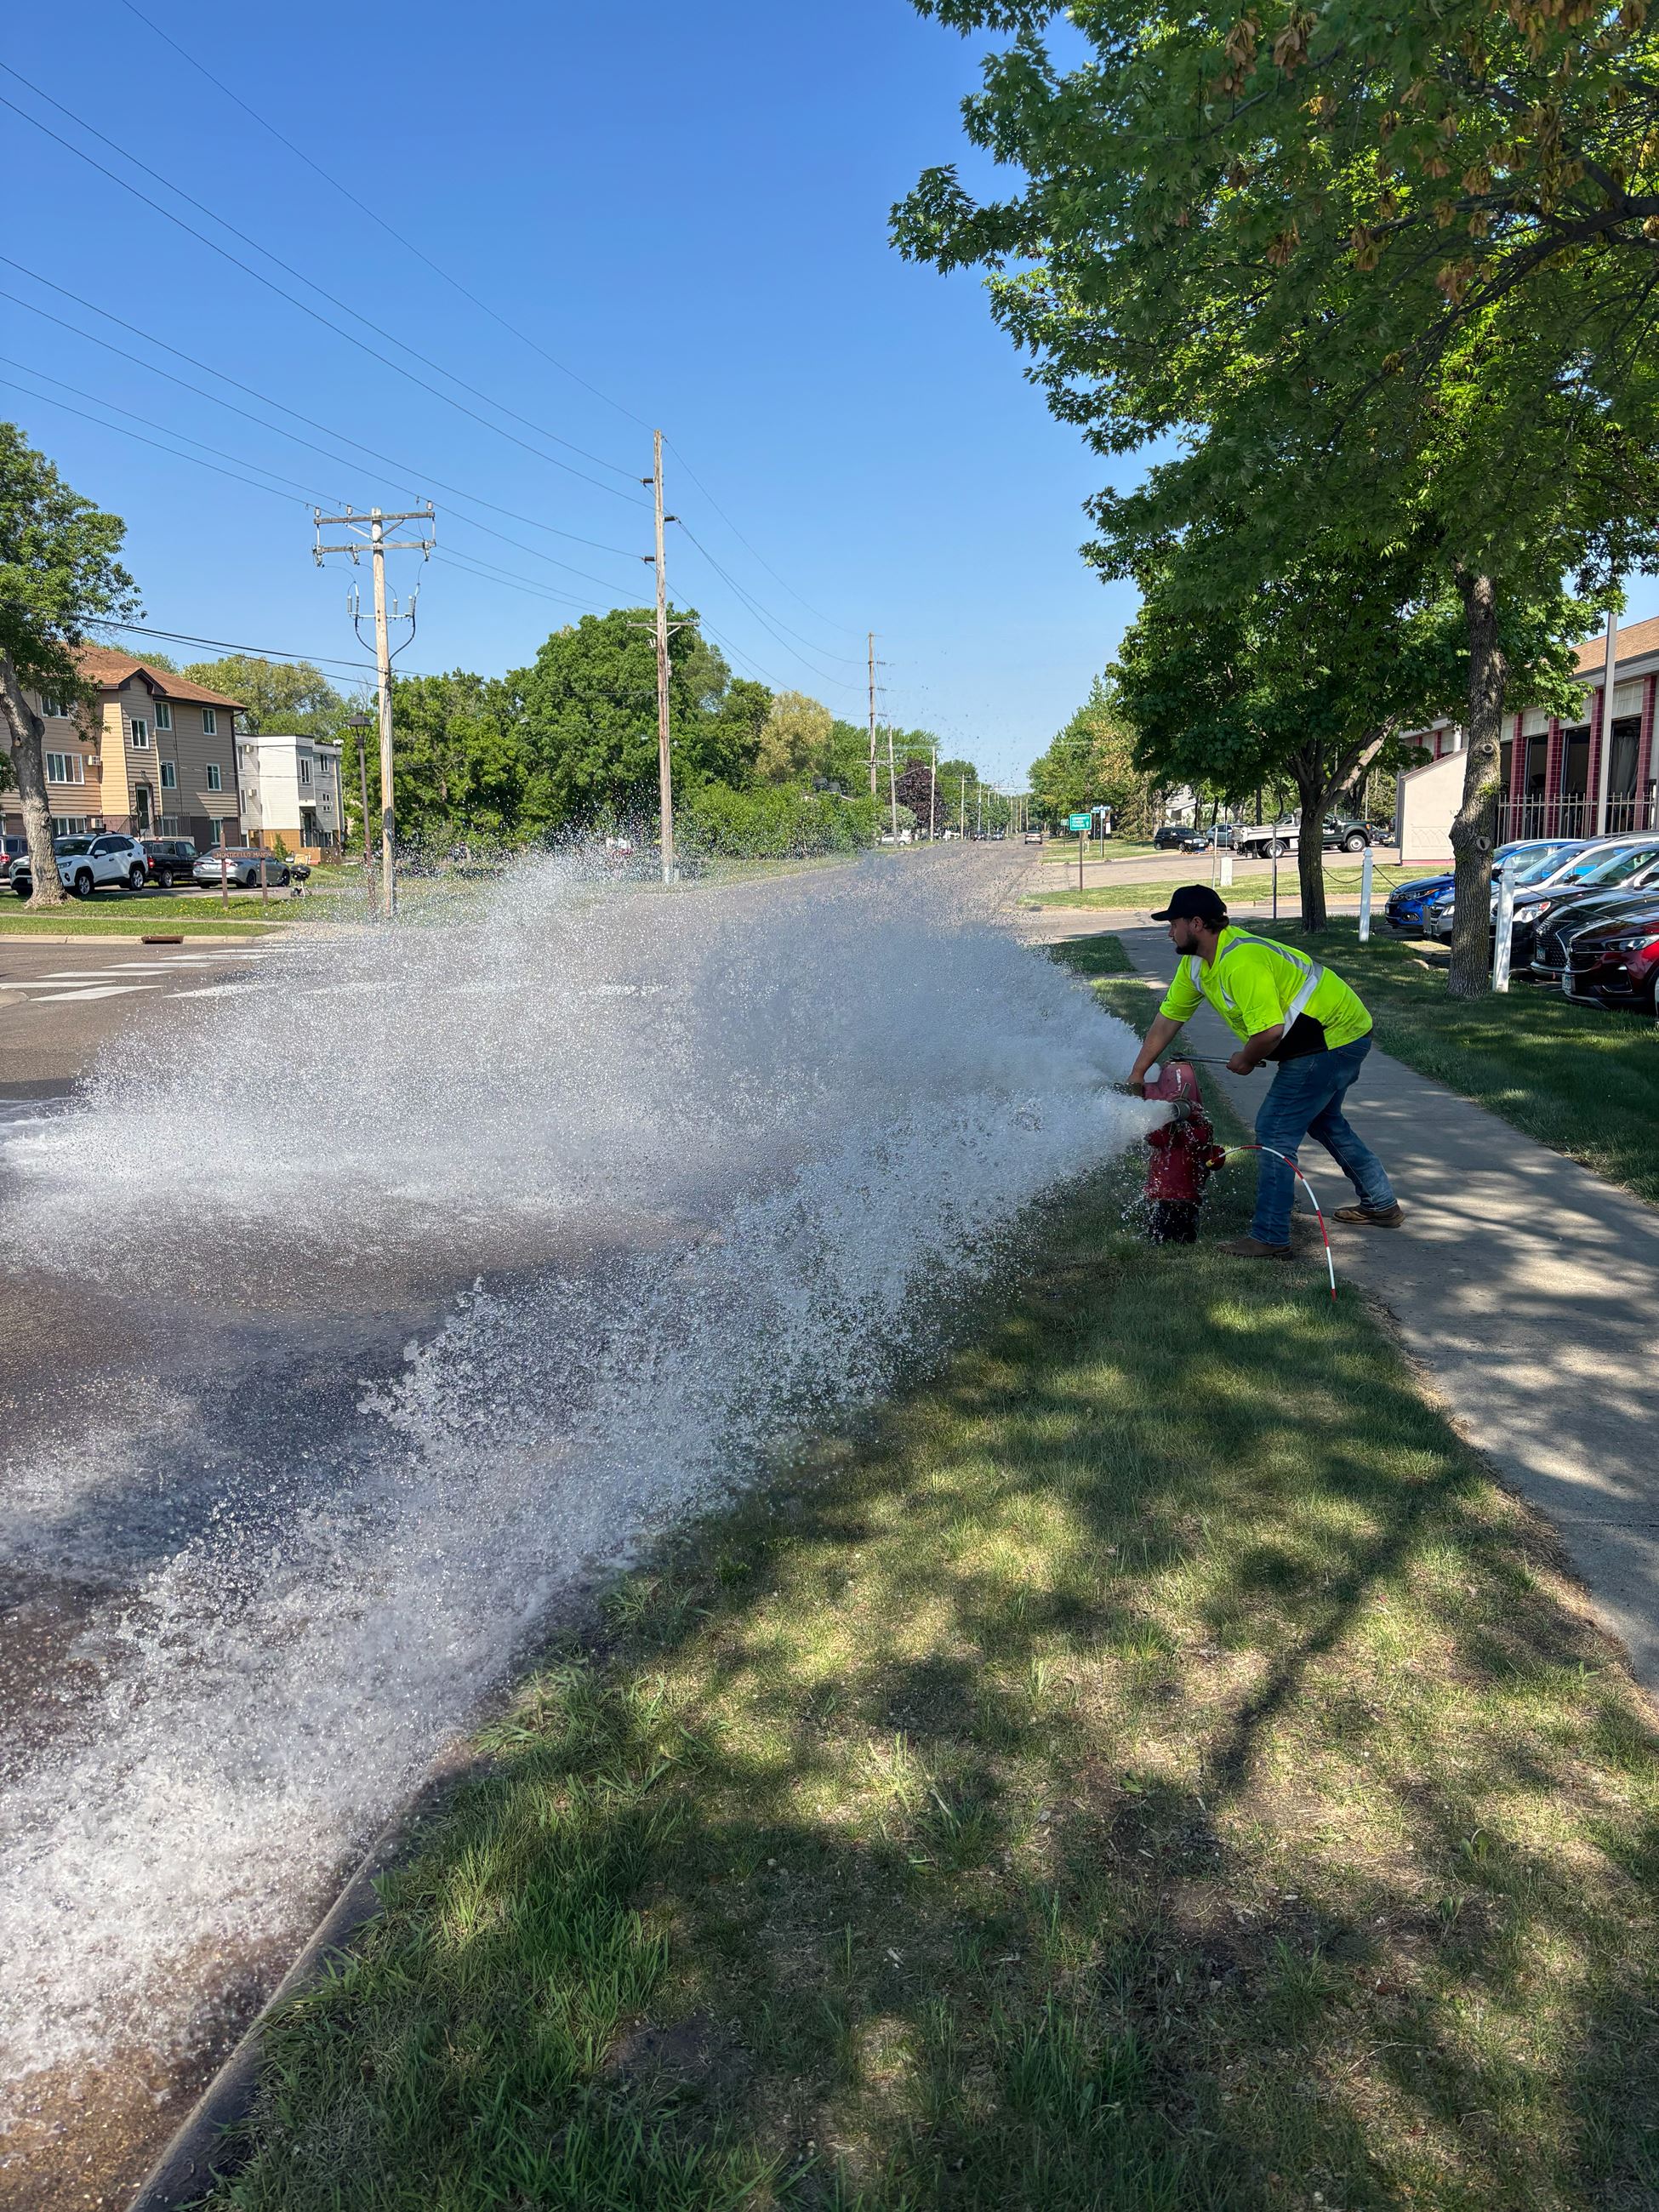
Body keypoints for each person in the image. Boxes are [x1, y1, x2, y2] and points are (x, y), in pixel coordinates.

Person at [1126, 886, 1402, 1260]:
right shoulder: (1196, 964)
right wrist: (1138, 1073)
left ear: (1196, 924)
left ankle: (1270, 1236)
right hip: (1328, 1037)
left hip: (1333, 1039)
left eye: (1173, 924)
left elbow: (1270, 1032)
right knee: (1325, 1122)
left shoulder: (1242, 962)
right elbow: (1168, 1018)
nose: (1168, 932)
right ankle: (1380, 1202)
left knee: (1274, 1131)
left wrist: (1245, 1057)